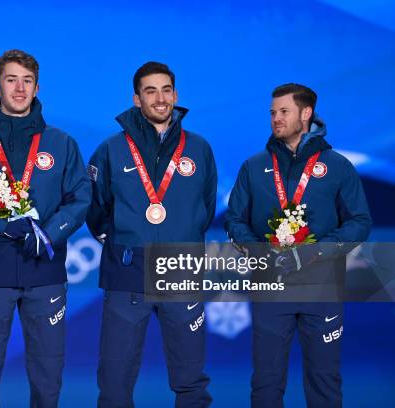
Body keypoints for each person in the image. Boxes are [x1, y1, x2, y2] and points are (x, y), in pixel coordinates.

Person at [0, 49, 91, 407]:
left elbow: (81, 199)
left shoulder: (61, 143)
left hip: (45, 272)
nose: (20, 88)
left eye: (27, 81)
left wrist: (49, 234)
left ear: (37, 88)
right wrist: (1, 226)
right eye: (12, 80)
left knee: (48, 372)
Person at [225, 83, 372, 408]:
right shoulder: (253, 167)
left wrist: (319, 250)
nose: (276, 118)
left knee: (325, 381)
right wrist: (257, 250)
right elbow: (234, 221)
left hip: (322, 289)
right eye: (273, 113)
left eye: (284, 111)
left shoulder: (337, 166)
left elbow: (360, 222)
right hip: (269, 288)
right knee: (266, 382)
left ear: (306, 114)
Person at [87, 61, 215, 407]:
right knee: (115, 382)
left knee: (191, 380)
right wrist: (122, 242)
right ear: (136, 99)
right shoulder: (112, 149)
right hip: (127, 269)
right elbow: (95, 209)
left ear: (175, 95)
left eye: (166, 89)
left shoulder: (199, 149)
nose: (160, 98)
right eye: (150, 91)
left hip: (180, 269)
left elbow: (204, 207)